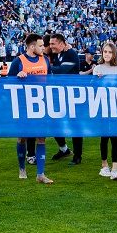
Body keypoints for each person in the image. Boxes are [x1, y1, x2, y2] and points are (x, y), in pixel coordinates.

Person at [7, 33, 52, 184]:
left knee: (41, 138)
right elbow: (6, 84)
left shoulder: (45, 60)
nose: (43, 48)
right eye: (40, 45)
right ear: (32, 47)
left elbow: (52, 80)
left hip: (41, 105)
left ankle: (40, 174)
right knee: (22, 137)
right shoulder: (18, 61)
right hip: (23, 106)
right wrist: (16, 78)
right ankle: (22, 169)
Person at [91, 41, 117, 180]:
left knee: (115, 138)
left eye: (110, 52)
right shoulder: (98, 68)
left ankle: (115, 168)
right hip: (102, 107)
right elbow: (92, 88)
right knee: (104, 137)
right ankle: (104, 166)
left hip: (116, 108)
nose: (107, 54)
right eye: (105, 51)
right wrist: (96, 81)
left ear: (114, 54)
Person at [47, 33, 82, 165]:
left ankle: (78, 156)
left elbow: (61, 70)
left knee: (74, 125)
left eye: (53, 44)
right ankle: (64, 149)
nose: (51, 46)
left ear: (62, 44)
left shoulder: (71, 53)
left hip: (72, 95)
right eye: (50, 44)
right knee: (54, 122)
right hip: (60, 94)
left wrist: (44, 68)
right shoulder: (58, 54)